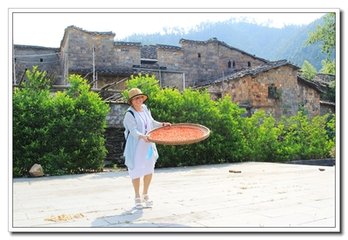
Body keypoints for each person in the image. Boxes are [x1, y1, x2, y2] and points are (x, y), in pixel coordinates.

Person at [123, 88, 170, 209]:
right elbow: (133, 131)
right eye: (136, 98)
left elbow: (152, 122)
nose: (139, 100)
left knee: (149, 168)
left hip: (148, 145)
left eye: (140, 98)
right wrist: (142, 136)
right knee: (136, 170)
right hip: (137, 146)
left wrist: (162, 125)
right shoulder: (129, 114)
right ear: (131, 101)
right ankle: (137, 197)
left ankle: (145, 194)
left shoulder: (145, 109)